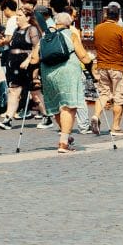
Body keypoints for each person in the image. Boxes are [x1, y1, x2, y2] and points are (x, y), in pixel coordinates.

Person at [39, 11, 94, 153]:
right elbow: (83, 56)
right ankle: (63, 143)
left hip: (48, 73)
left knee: (57, 105)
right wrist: (91, 64)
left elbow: (34, 58)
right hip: (68, 72)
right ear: (69, 23)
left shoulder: (46, 36)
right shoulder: (72, 34)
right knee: (68, 106)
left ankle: (66, 134)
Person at [0, 4, 44, 130]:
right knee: (13, 91)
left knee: (35, 93)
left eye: (20, 15)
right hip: (15, 65)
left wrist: (28, 60)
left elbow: (37, 46)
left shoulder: (32, 29)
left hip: (27, 66)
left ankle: (47, 116)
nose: (17, 17)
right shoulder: (16, 30)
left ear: (28, 17)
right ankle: (8, 119)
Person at [92, 1, 123, 137]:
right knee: (119, 97)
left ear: (106, 15)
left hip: (102, 66)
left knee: (104, 94)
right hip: (117, 67)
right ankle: (115, 127)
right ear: (118, 17)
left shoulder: (97, 29)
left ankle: (95, 116)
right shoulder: (120, 30)